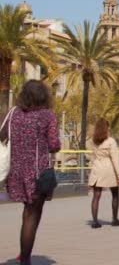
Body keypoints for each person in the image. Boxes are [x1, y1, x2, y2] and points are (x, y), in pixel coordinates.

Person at [0, 80, 61, 265]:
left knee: (26, 214)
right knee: (32, 216)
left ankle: (23, 254)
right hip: (37, 173)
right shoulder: (47, 115)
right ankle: (25, 259)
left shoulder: (13, 113)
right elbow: (54, 145)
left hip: (16, 172)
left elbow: (2, 135)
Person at [88, 118, 119, 228]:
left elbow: (92, 156)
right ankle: (114, 219)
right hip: (109, 170)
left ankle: (95, 221)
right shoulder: (110, 141)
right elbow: (115, 159)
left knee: (96, 196)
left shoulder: (92, 141)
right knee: (115, 194)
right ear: (106, 128)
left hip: (97, 168)